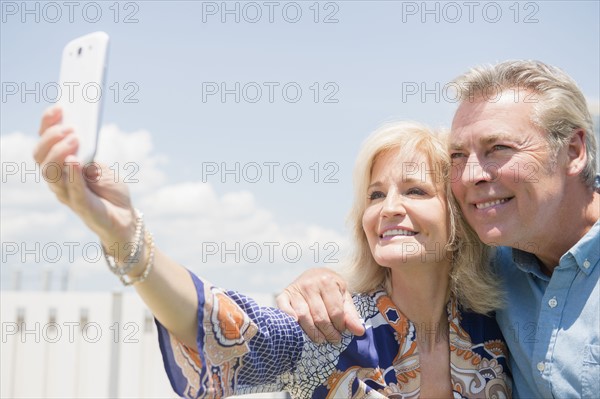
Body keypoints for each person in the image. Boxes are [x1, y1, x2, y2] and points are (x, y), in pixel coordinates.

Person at [34, 116, 511, 397]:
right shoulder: (332, 329)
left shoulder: (502, 325)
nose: (389, 209)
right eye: (374, 194)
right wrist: (125, 234)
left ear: (455, 215)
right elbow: (212, 326)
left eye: (414, 190)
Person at [276, 60, 600, 398]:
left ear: (573, 151)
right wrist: (317, 281)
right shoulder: (500, 267)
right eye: (459, 155)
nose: (473, 173)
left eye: (499, 148)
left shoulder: (483, 318)